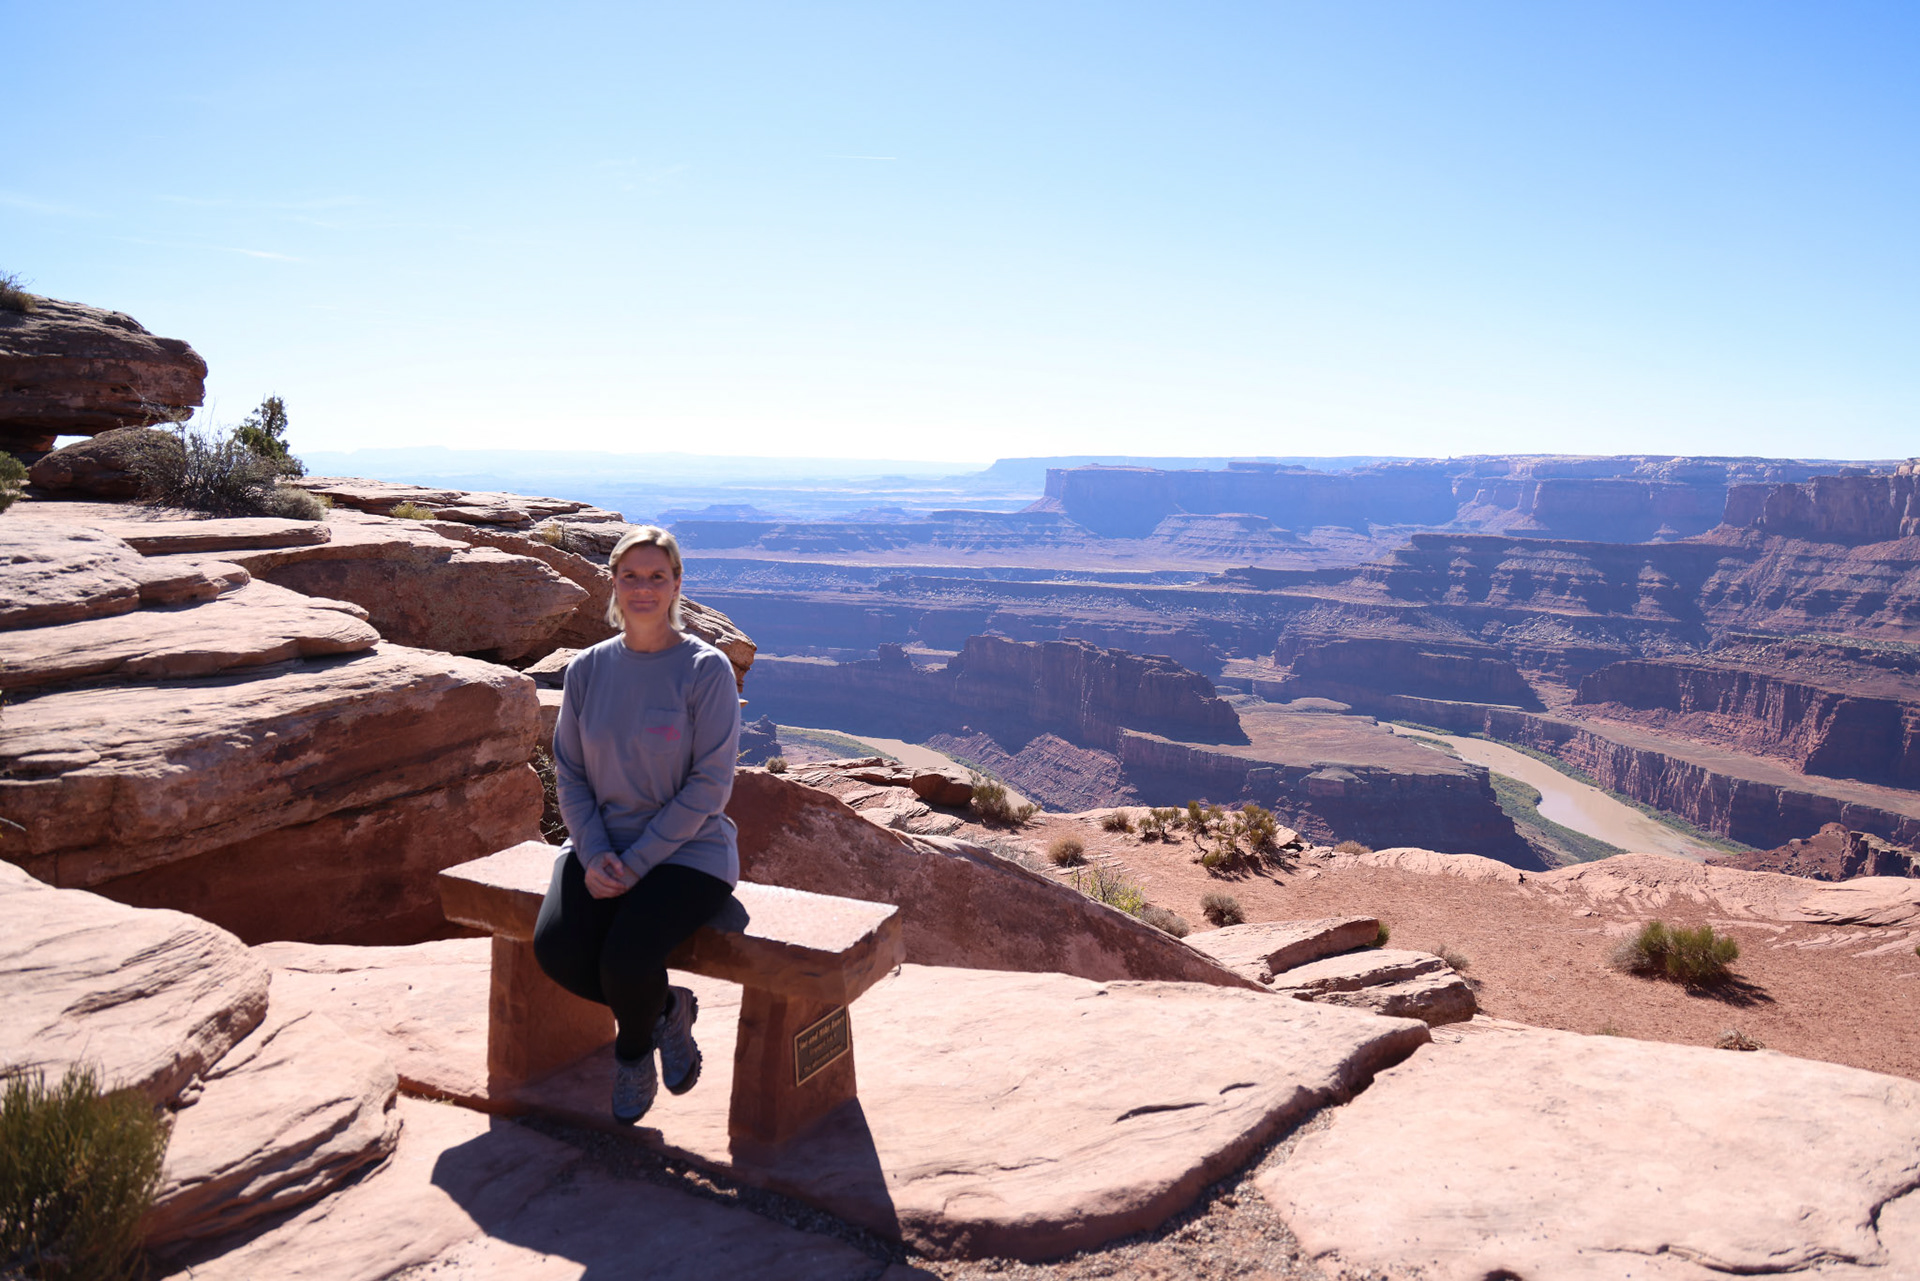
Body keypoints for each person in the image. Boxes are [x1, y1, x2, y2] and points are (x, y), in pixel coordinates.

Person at [532, 525, 741, 1124]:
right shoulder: (588, 670)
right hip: (600, 848)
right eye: (631, 576)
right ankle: (666, 1008)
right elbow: (569, 772)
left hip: (687, 856)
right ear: (614, 585)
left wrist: (639, 861)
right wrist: (595, 853)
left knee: (623, 960)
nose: (643, 589)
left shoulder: (706, 670)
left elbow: (710, 786)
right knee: (558, 951)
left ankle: (631, 1054)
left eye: (657, 577)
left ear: (676, 584)